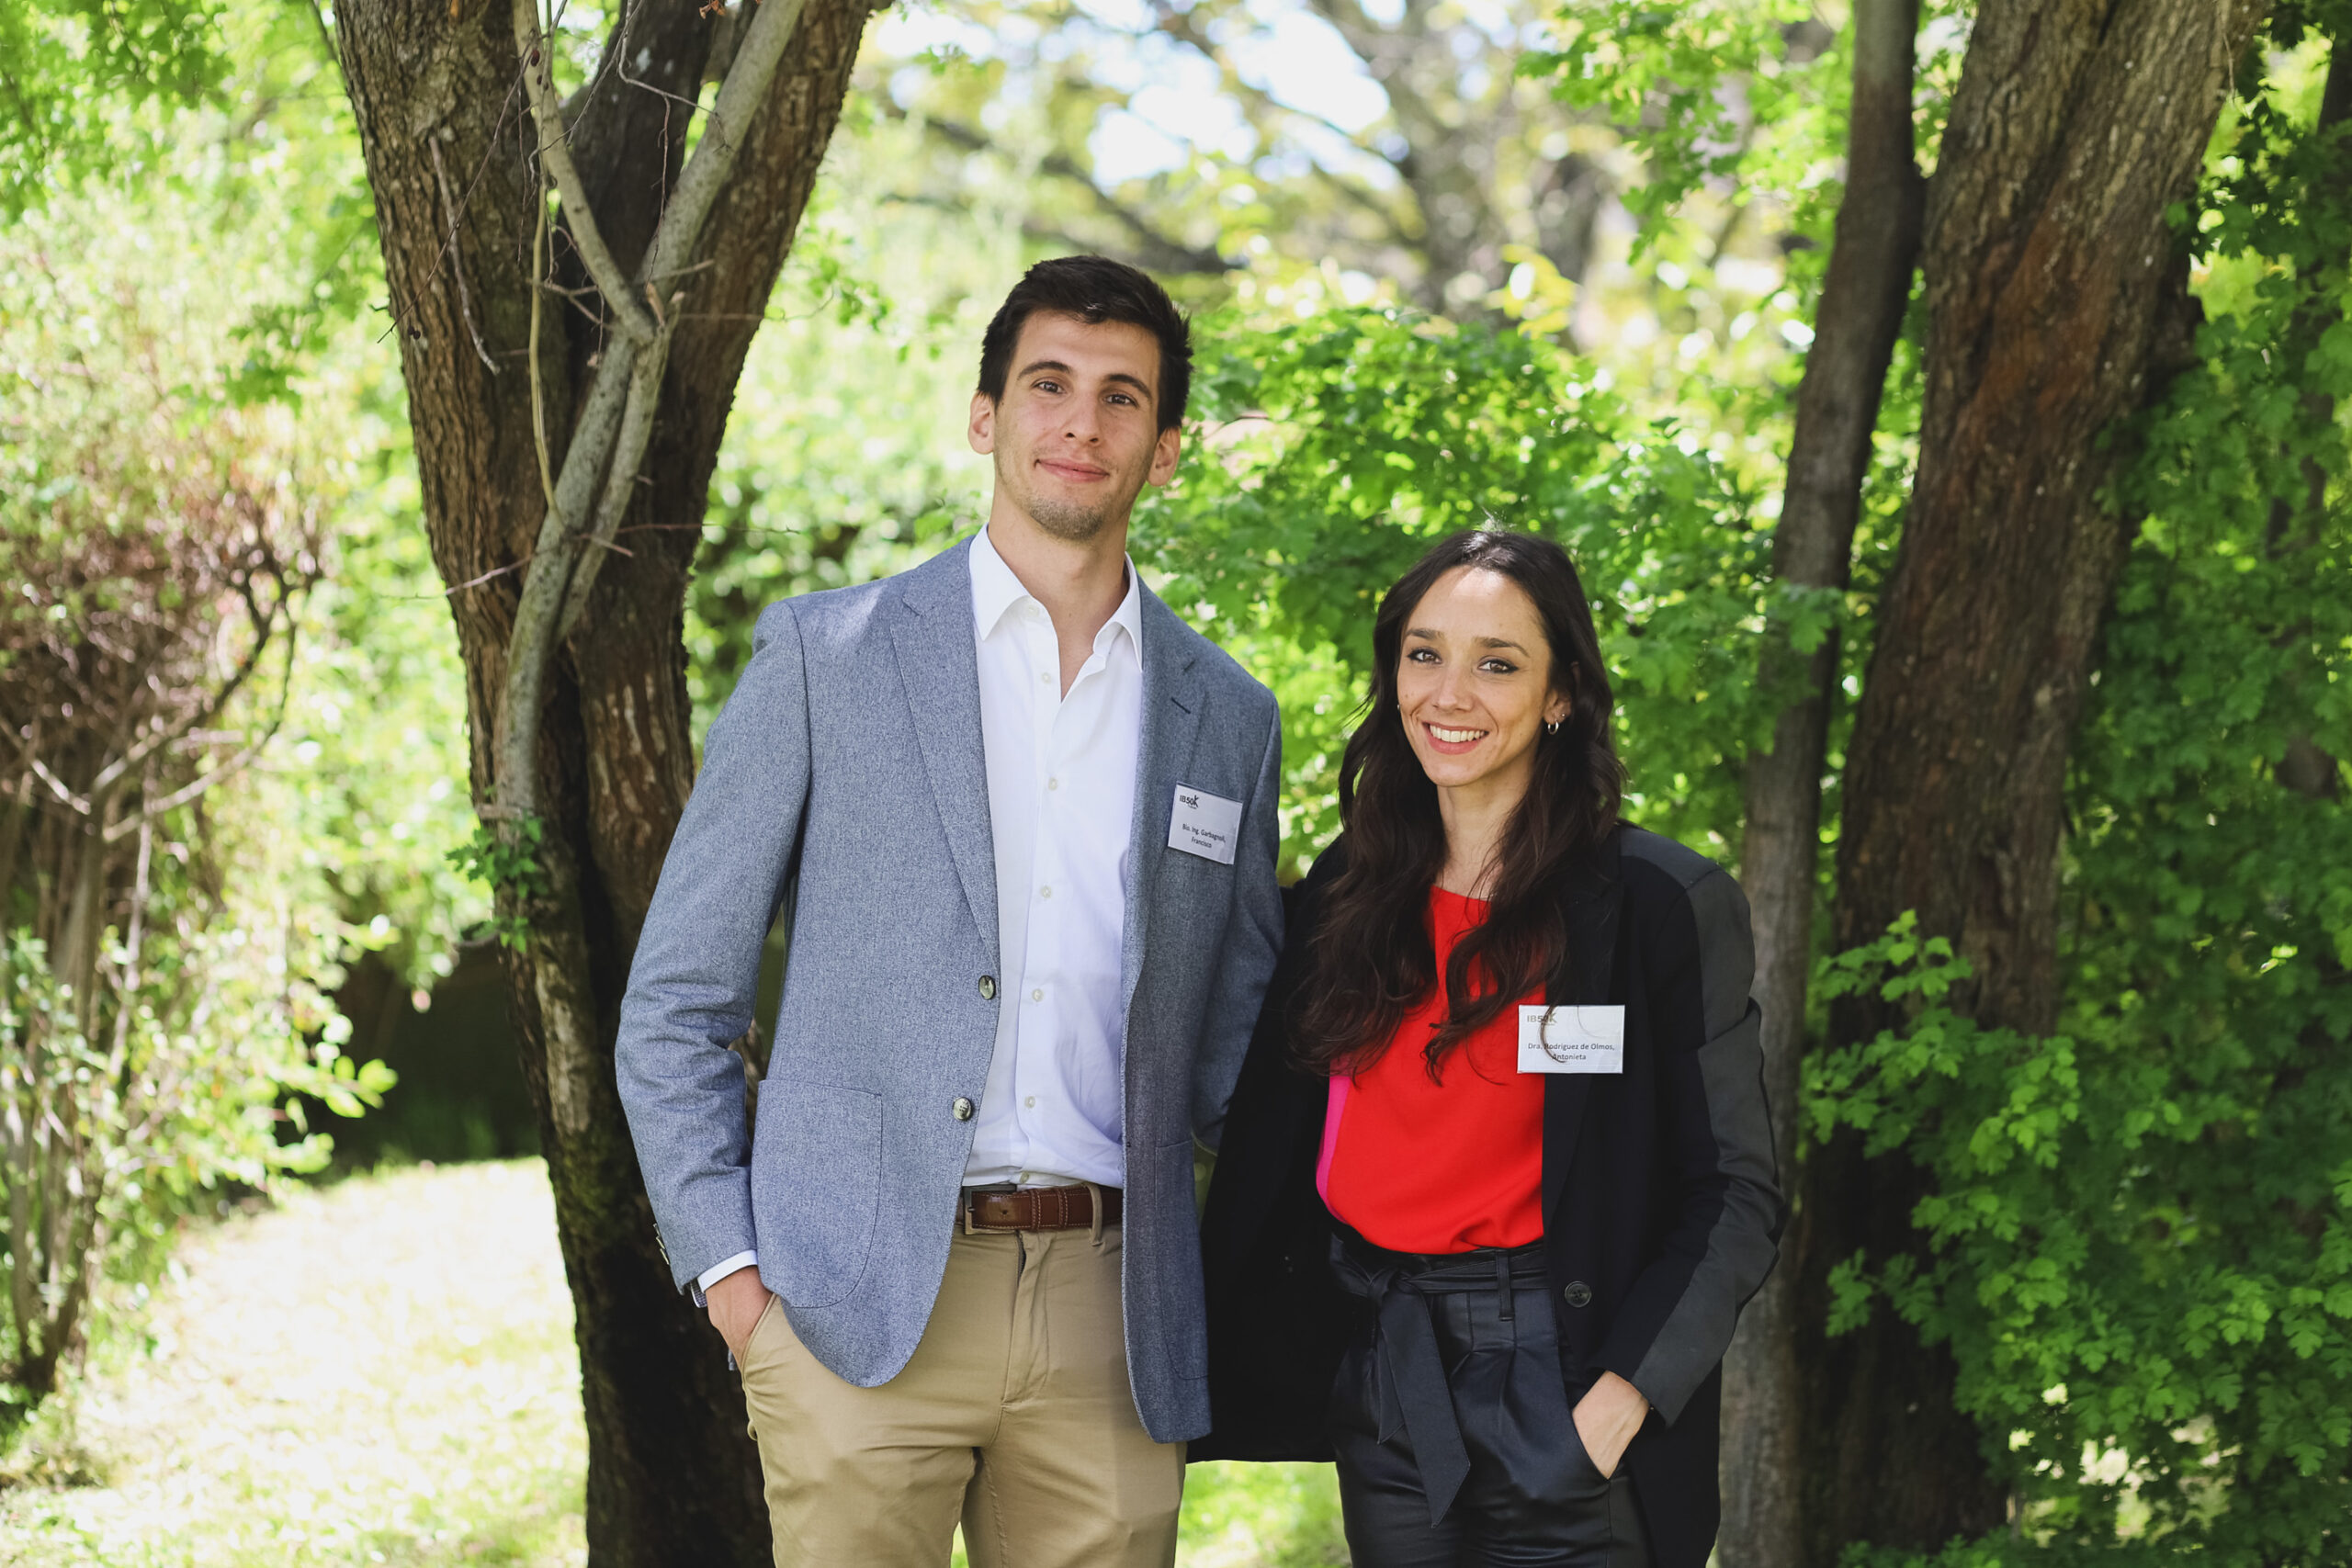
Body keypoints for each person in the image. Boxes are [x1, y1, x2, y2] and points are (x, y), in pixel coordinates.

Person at [614, 254, 1284, 1568]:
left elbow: (1234, 1024)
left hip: (1112, 1312)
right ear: (986, 416)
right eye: (1047, 385)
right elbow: (680, 996)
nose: (1080, 423)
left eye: (1120, 398)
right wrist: (738, 1282)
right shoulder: (828, 655)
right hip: (848, 1304)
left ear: (1165, 449)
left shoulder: (1229, 716)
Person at [1194, 529, 1781, 1568]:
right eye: (1424, 654)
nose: (1449, 692)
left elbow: (1735, 1190)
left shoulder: (1654, 908)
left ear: (1561, 696)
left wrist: (1624, 1393)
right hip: (1385, 1373)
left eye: (1496, 662)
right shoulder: (1347, 892)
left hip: (1565, 1374)